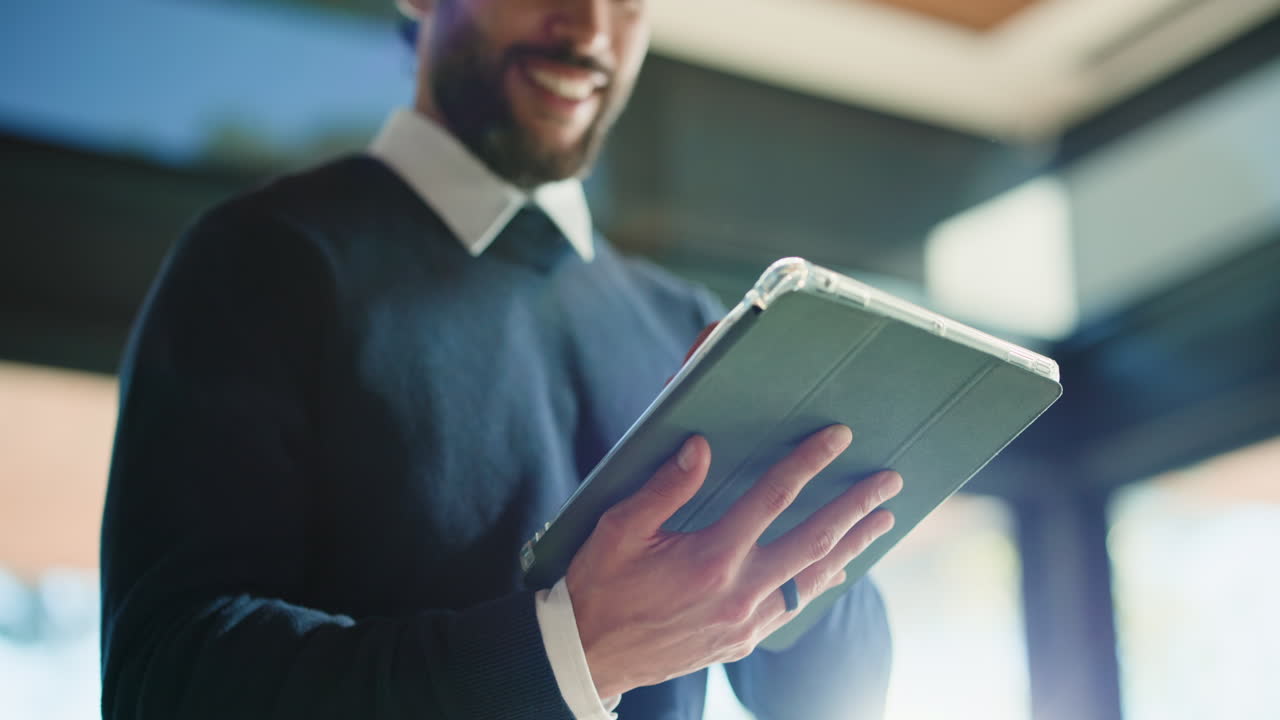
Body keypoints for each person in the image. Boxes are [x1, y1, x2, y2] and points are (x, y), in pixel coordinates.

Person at [99, 1, 904, 718]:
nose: (590, 26)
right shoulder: (259, 262)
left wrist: (789, 507)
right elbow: (167, 682)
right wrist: (568, 654)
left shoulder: (693, 327)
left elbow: (835, 698)